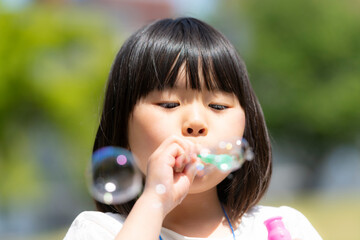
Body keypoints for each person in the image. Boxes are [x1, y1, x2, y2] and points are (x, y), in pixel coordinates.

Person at [64, 17, 322, 240]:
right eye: (169, 103)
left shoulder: (280, 228)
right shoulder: (100, 230)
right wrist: (155, 200)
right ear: (122, 124)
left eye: (219, 106)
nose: (196, 123)